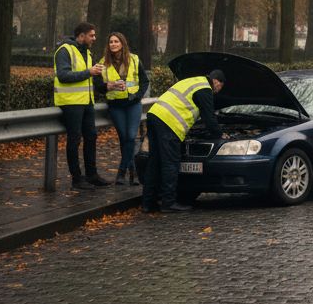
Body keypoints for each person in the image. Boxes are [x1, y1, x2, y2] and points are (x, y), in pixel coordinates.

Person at [142, 69, 225, 213]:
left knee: (154, 161)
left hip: (154, 115)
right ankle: (168, 203)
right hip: (168, 122)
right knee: (170, 163)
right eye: (219, 88)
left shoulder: (192, 80)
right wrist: (220, 134)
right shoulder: (205, 88)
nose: (217, 91)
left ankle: (147, 203)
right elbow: (209, 118)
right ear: (217, 82)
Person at [53, 21, 109, 190]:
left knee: (91, 136)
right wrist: (88, 72)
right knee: (75, 139)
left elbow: (91, 79)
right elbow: (63, 75)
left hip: (86, 102)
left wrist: (108, 86)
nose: (94, 38)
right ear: (82, 35)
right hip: (71, 102)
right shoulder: (64, 50)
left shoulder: (87, 53)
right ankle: (77, 179)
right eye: (91, 35)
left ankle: (92, 175)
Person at [96, 31, 149, 186]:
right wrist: (108, 86)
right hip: (115, 105)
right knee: (124, 138)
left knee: (131, 137)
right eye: (111, 42)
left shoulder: (134, 59)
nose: (113, 44)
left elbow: (144, 82)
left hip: (133, 104)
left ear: (122, 43)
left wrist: (138, 96)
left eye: (116, 41)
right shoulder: (102, 62)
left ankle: (121, 172)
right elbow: (97, 85)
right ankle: (133, 173)